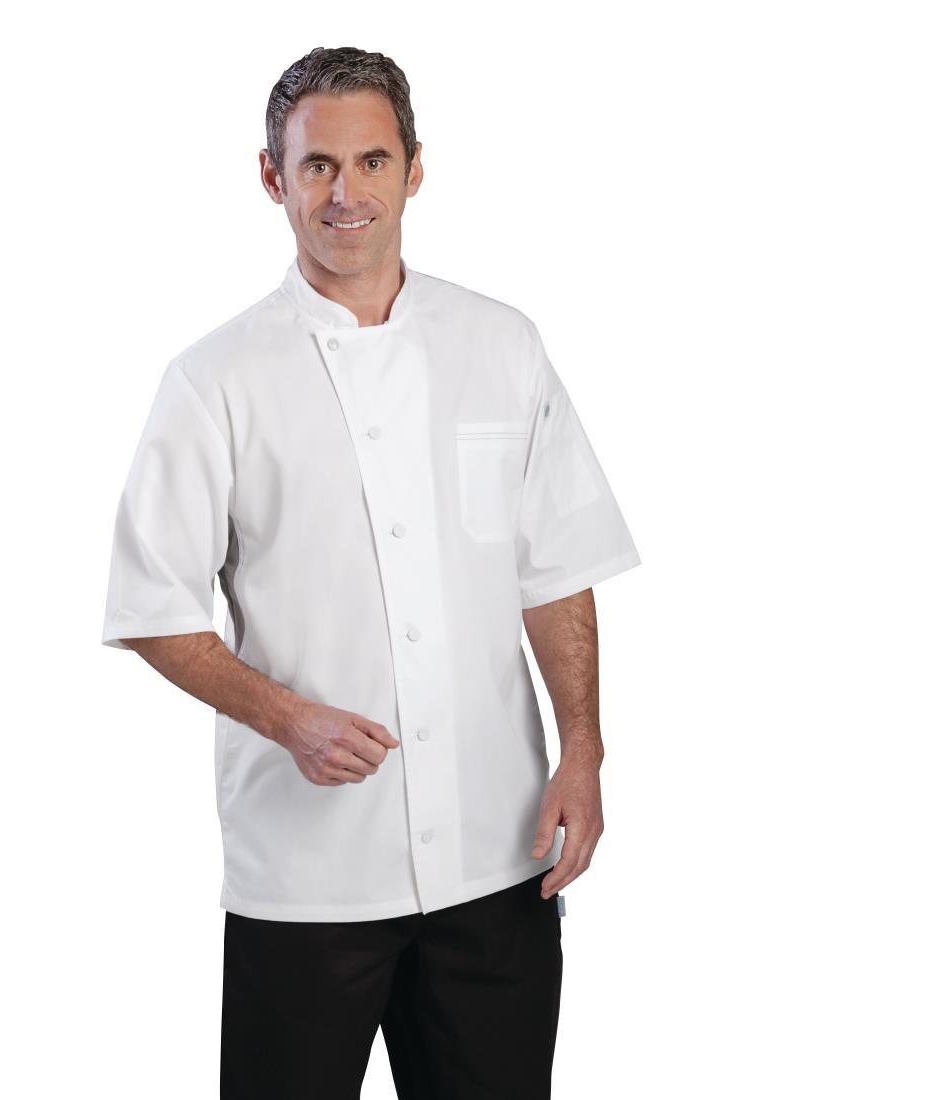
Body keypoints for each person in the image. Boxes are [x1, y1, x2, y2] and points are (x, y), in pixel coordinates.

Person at [100, 44, 640, 1100]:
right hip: (307, 880)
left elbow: (554, 566)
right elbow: (152, 606)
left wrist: (581, 747)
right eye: (317, 166)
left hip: (498, 856)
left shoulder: (502, 345)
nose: (345, 193)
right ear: (273, 177)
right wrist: (286, 717)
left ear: (415, 168)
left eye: (371, 161)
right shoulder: (214, 381)